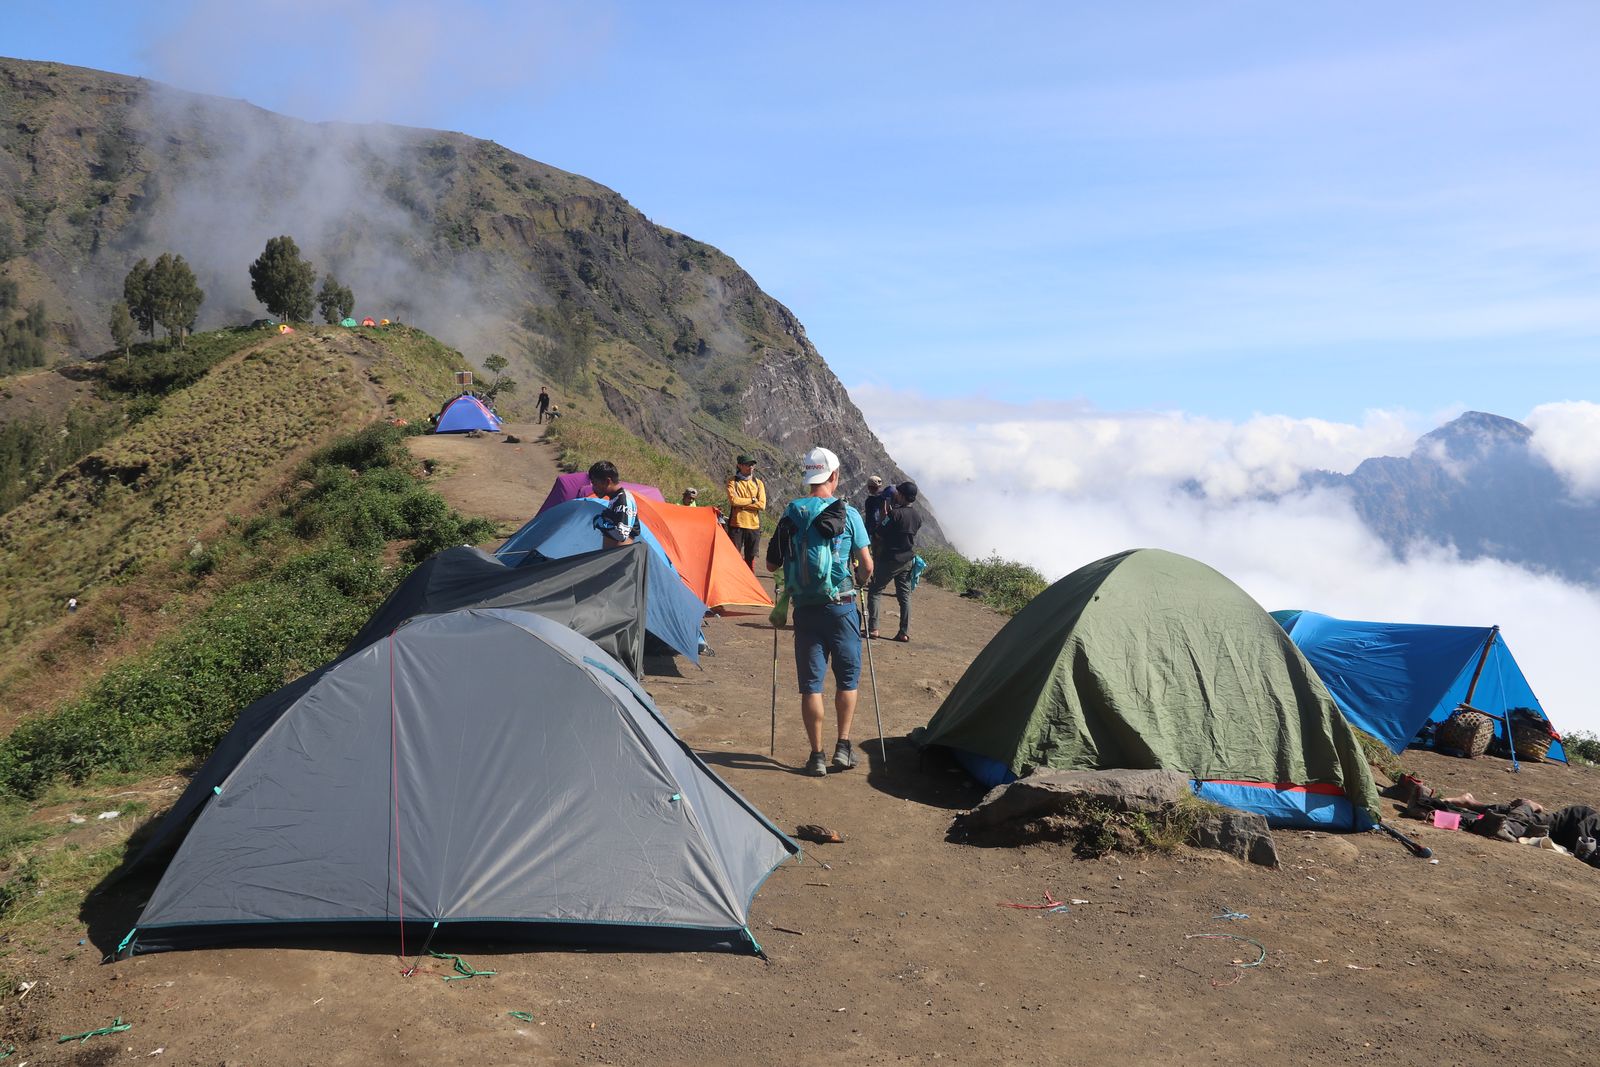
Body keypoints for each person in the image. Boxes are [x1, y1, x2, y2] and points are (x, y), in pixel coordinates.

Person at [766, 446, 873, 777]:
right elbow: (867, 565)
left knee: (811, 686)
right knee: (847, 680)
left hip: (805, 609)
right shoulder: (848, 514)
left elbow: (771, 564)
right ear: (834, 476)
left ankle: (816, 756)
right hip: (842, 607)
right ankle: (843, 747)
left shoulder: (791, 513)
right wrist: (859, 580)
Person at [866, 480, 923, 642]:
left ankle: (873, 628)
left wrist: (885, 517)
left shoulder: (894, 514)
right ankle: (903, 632)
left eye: (898, 492)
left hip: (889, 559)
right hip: (907, 560)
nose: (896, 494)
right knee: (904, 596)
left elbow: (879, 533)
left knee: (875, 591)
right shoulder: (917, 516)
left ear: (903, 496)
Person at [725, 453, 767, 570]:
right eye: (748, 464)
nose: (751, 467)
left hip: (754, 525)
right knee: (734, 556)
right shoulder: (733, 481)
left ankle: (749, 578)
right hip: (737, 524)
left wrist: (742, 505)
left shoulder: (758, 483)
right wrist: (752, 500)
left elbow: (762, 505)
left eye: (752, 464)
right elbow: (734, 501)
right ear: (739, 465)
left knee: (751, 557)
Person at [588, 460, 638, 548]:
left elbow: (621, 534)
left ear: (607, 481)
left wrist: (600, 522)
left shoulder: (623, 500)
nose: (593, 488)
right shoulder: (616, 498)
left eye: (595, 483)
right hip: (612, 554)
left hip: (620, 555)